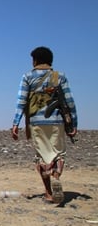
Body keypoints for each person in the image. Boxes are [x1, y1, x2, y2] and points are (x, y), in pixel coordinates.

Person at [11, 46, 78, 204]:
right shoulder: (59, 76)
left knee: (42, 156)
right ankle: (56, 175)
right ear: (50, 61)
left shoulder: (28, 77)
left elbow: (21, 101)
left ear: (35, 60)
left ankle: (49, 192)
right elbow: (69, 102)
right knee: (58, 154)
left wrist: (15, 123)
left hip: (36, 122)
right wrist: (73, 124)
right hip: (57, 122)